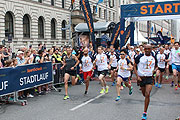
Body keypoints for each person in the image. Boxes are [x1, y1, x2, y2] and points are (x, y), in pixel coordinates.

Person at [134, 44, 156, 120]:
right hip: (141, 78)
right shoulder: (139, 57)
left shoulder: (153, 57)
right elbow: (134, 65)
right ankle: (147, 100)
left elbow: (156, 66)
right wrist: (137, 76)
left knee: (147, 94)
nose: (147, 50)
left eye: (148, 49)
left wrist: (155, 71)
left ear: (151, 49)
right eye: (145, 48)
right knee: (144, 94)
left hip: (149, 78)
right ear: (144, 49)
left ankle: (144, 112)